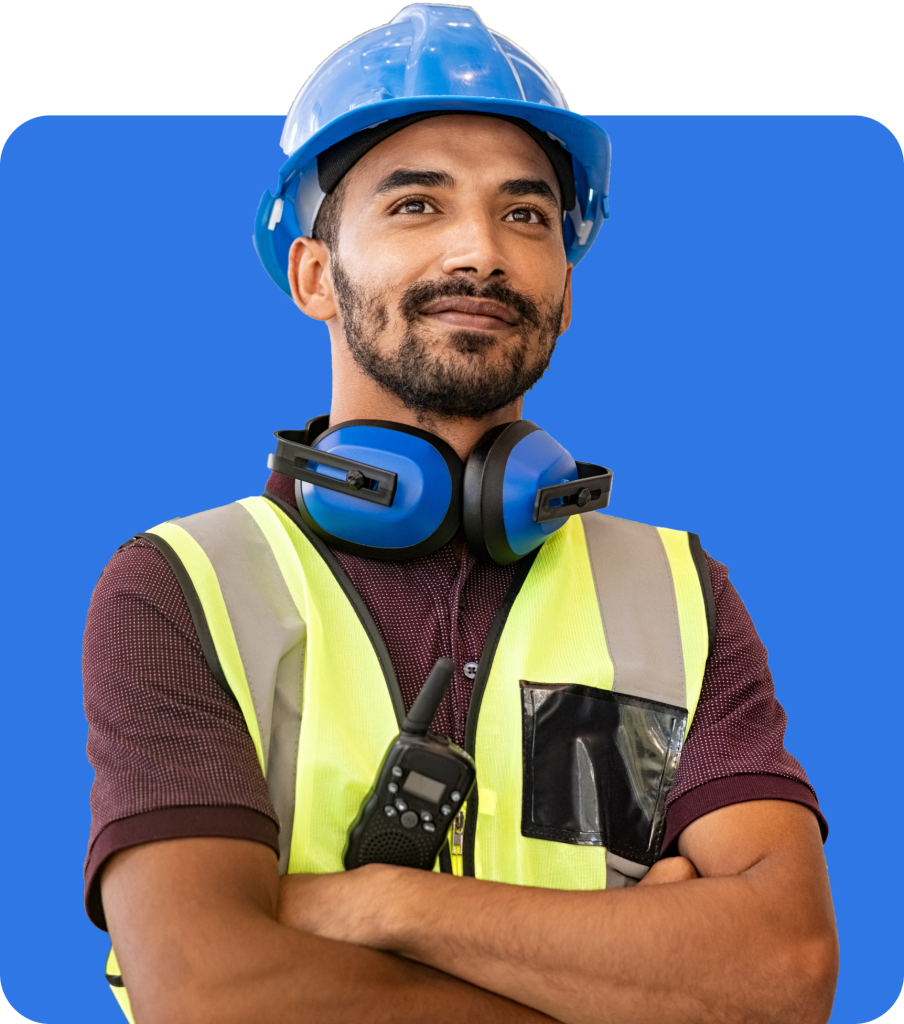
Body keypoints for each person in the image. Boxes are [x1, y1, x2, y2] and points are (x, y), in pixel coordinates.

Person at [82, 6, 839, 1023]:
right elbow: (212, 991)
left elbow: (785, 970)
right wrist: (636, 984)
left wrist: (382, 903)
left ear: (566, 292)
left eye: (525, 215)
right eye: (416, 206)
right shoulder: (184, 583)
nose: (479, 251)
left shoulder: (678, 590)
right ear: (315, 276)